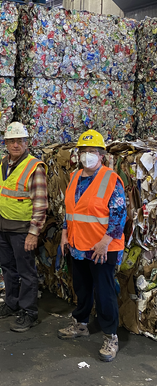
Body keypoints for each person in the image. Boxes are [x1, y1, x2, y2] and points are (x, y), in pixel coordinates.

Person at [58, 129, 127, 362]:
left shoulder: (110, 179)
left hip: (102, 248)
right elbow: (71, 210)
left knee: (104, 292)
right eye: (83, 151)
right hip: (78, 245)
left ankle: (110, 336)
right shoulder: (75, 177)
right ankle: (81, 324)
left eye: (92, 152)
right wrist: (65, 234)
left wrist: (106, 241)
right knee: (82, 287)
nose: (87, 155)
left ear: (102, 155)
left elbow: (120, 214)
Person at [0, 122, 48, 332]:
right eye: (12, 141)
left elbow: (40, 205)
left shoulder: (34, 167)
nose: (15, 145)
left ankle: (29, 312)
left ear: (26, 142)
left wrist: (33, 234)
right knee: (8, 268)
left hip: (22, 230)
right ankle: (11, 303)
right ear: (6, 143)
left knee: (26, 272)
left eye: (19, 141)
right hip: (3, 227)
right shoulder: (4, 164)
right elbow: (0, 192)